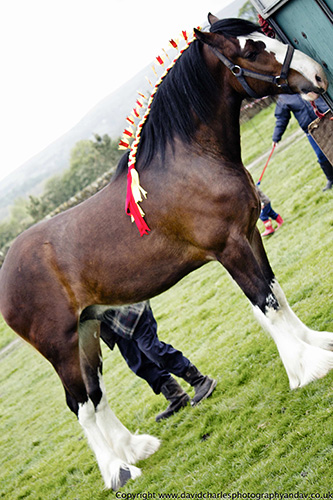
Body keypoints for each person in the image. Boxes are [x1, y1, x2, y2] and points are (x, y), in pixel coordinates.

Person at [99, 301, 217, 422]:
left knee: (153, 350)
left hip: (132, 311)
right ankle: (176, 397)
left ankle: (200, 381)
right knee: (138, 364)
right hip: (115, 325)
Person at [272, 94, 333, 191]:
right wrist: (276, 137)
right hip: (312, 131)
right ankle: (330, 179)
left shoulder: (307, 82)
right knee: (321, 155)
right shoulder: (284, 98)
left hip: (328, 118)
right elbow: (281, 118)